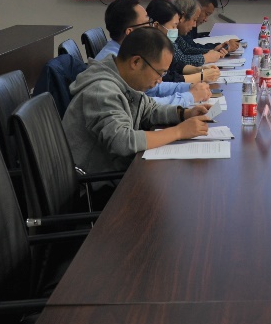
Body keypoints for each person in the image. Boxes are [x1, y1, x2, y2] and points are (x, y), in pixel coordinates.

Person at [63, 27, 213, 208]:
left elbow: (149, 109)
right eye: (159, 73)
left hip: (114, 176)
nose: (160, 80)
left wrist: (183, 113)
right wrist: (179, 132)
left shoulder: (124, 80)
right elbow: (123, 141)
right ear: (136, 62)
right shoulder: (101, 89)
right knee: (177, 198)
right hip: (91, 191)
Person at [96, 0, 210, 107]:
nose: (151, 28)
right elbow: (142, 105)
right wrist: (190, 96)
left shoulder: (129, 52)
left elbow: (154, 89)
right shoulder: (116, 63)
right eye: (146, 24)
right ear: (130, 32)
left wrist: (189, 87)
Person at [145, 0, 220, 84]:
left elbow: (176, 65)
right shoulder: (151, 48)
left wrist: (198, 69)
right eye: (174, 26)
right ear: (156, 25)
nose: (175, 30)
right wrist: (201, 76)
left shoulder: (164, 41)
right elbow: (166, 79)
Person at [174, 0, 239, 58]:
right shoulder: (173, 33)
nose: (194, 25)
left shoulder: (181, 30)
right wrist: (206, 58)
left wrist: (216, 48)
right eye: (206, 14)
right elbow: (184, 55)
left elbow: (187, 49)